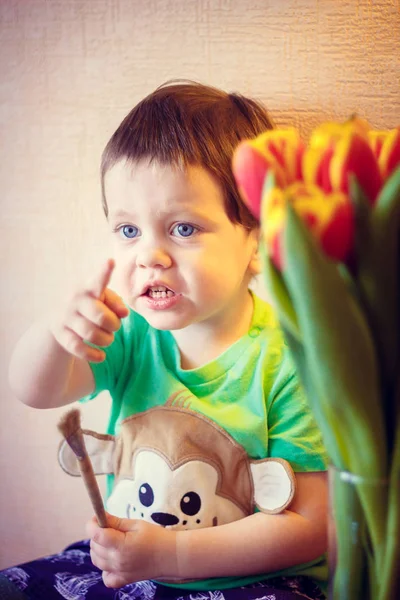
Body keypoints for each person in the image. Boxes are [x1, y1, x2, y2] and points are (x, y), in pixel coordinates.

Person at [2, 81, 329, 600]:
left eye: (182, 228)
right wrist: (57, 333)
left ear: (257, 237)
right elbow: (34, 390)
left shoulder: (289, 361)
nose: (149, 255)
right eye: (129, 231)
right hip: (134, 567)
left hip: (251, 582)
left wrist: (174, 555)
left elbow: (311, 527)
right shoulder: (129, 334)